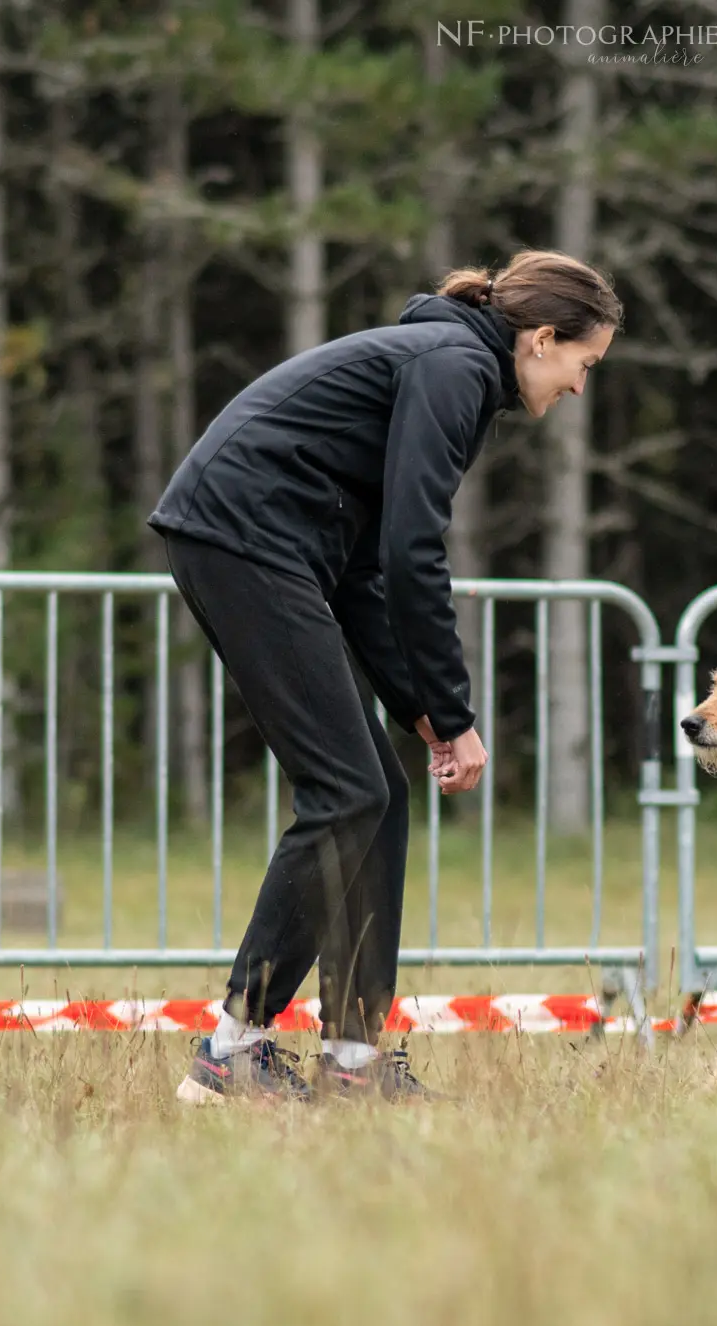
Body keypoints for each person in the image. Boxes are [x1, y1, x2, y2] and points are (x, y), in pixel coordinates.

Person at [151, 249, 622, 1103]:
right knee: (346, 795)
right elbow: (413, 555)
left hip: (266, 541)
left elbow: (368, 568)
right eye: (585, 364)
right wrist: (456, 707)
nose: (581, 387)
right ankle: (232, 1052)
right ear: (543, 339)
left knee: (377, 796)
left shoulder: (452, 365)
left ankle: (355, 1064)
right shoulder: (458, 368)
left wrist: (422, 713)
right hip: (243, 536)